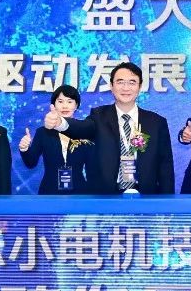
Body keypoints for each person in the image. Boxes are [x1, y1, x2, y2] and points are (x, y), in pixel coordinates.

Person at [44, 62, 174, 195]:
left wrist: (168, 201)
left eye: (132, 82)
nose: (126, 88)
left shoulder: (156, 122)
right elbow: (82, 128)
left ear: (140, 87)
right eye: (120, 82)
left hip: (146, 196)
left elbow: (166, 166)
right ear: (111, 86)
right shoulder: (98, 116)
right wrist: (60, 122)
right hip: (106, 197)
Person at [20, 84, 91, 194]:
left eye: (70, 102)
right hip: (49, 192)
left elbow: (94, 166)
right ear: (53, 105)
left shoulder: (84, 131)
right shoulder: (42, 132)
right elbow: (31, 163)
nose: (65, 106)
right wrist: (24, 149)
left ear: (76, 105)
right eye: (60, 101)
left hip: (79, 193)